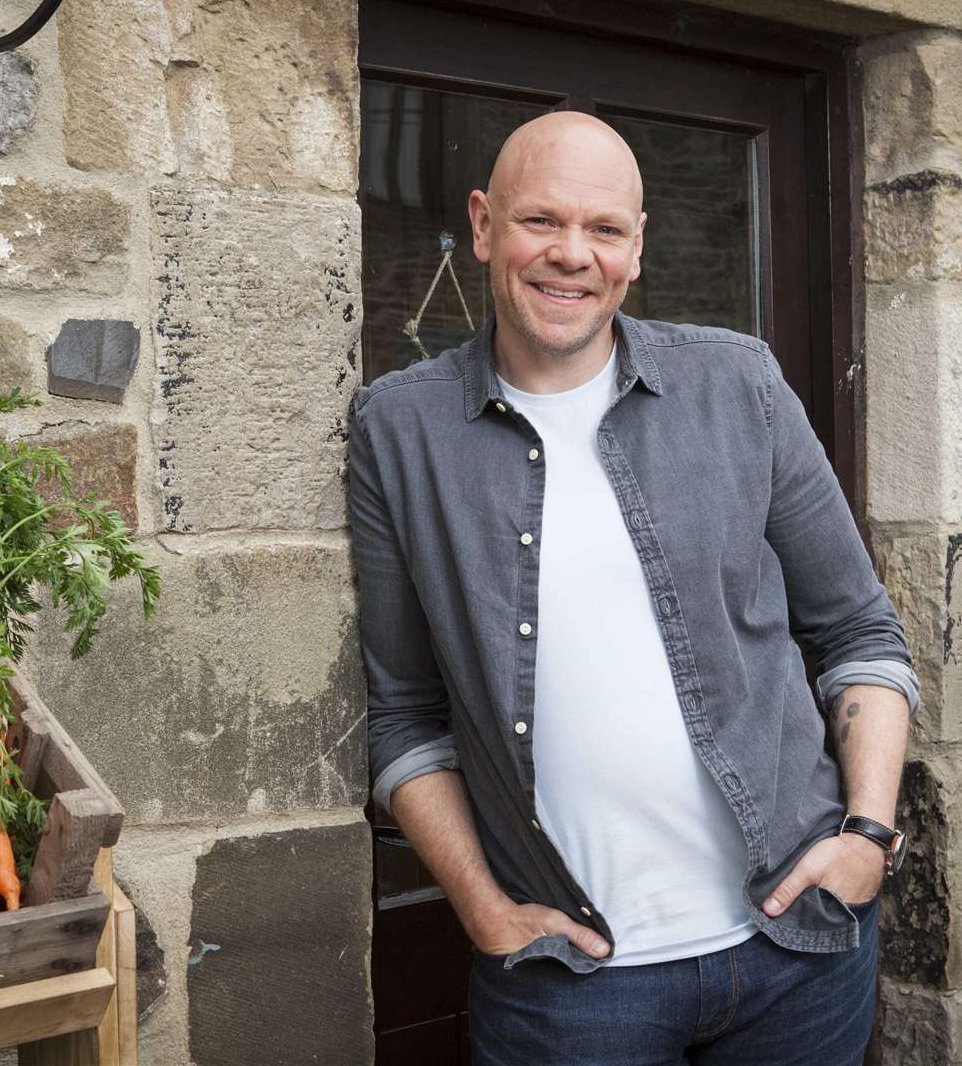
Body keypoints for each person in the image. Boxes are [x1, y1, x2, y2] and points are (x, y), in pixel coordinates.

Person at [348, 111, 920, 1065]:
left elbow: (860, 632)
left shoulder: (740, 386)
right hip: (568, 995)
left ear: (636, 247)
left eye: (604, 230)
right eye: (542, 222)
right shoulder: (400, 432)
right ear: (484, 226)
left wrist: (867, 837)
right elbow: (404, 713)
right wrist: (482, 909)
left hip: (799, 954)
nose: (573, 255)